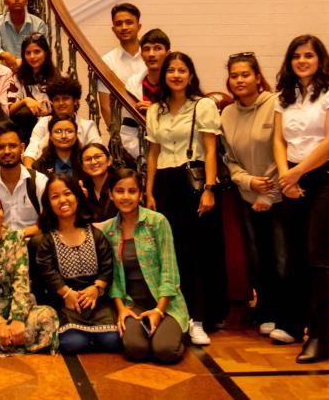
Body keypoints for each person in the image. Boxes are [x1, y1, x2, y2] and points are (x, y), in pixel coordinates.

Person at [273, 35, 329, 364]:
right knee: (295, 256)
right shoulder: (284, 96)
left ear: (320, 59)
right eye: (296, 56)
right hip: (292, 178)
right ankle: (295, 322)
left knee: (317, 257)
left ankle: (323, 335)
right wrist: (285, 176)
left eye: (308, 55)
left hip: (328, 180)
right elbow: (278, 140)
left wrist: (297, 173)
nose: (302, 61)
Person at [144, 50, 224, 346]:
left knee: (198, 252)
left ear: (191, 75)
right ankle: (178, 314)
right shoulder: (156, 110)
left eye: (182, 70)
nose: (176, 75)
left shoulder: (202, 105)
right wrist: (149, 190)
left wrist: (210, 189)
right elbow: (153, 153)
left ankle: (200, 318)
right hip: (165, 183)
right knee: (171, 253)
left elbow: (211, 149)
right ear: (163, 76)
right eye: (171, 70)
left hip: (194, 182)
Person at [221, 51, 287, 343]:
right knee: (257, 259)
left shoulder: (276, 104)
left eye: (245, 74)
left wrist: (269, 192)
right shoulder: (227, 114)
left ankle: (287, 313)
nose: (239, 80)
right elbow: (229, 159)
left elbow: (282, 149)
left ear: (258, 77)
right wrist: (247, 182)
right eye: (234, 76)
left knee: (282, 258)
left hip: (279, 197)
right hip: (247, 196)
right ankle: (267, 310)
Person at [99, 168, 188, 364]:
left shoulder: (157, 222)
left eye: (132, 191)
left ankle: (176, 331)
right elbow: (112, 278)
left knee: (164, 351)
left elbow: (169, 272)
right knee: (136, 350)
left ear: (140, 194)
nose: (126, 197)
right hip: (132, 305)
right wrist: (121, 309)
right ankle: (153, 334)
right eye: (119, 191)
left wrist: (158, 311)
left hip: (165, 303)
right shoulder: (108, 231)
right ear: (111, 194)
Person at [0, 190, 59, 357]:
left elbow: (21, 282)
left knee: (47, 316)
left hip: (18, 305)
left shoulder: (15, 238)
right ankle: (16, 344)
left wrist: (18, 319)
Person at [32, 174, 121, 353]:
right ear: (48, 203)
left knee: (113, 341)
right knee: (72, 343)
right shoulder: (46, 239)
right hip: (65, 302)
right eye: (55, 196)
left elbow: (107, 266)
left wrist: (96, 289)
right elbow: (47, 272)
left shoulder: (95, 234)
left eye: (67, 193)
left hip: (96, 300)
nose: (62, 200)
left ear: (77, 198)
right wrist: (66, 293)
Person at [99, 2, 147, 159]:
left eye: (129, 22)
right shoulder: (107, 61)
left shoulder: (152, 55)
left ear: (139, 26)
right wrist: (118, 138)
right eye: (118, 24)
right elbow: (105, 105)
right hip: (125, 136)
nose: (124, 27)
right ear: (113, 29)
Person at [0, 124, 46, 235]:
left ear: (22, 148)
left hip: (33, 246)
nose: (7, 151)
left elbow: (49, 223)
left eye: (12, 146)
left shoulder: (39, 182)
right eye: (1, 147)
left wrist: (16, 236)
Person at [76, 142, 118, 224]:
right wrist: (82, 201)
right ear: (82, 166)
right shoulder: (83, 189)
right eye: (88, 159)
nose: (93, 162)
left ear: (109, 161)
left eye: (97, 157)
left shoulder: (119, 184)